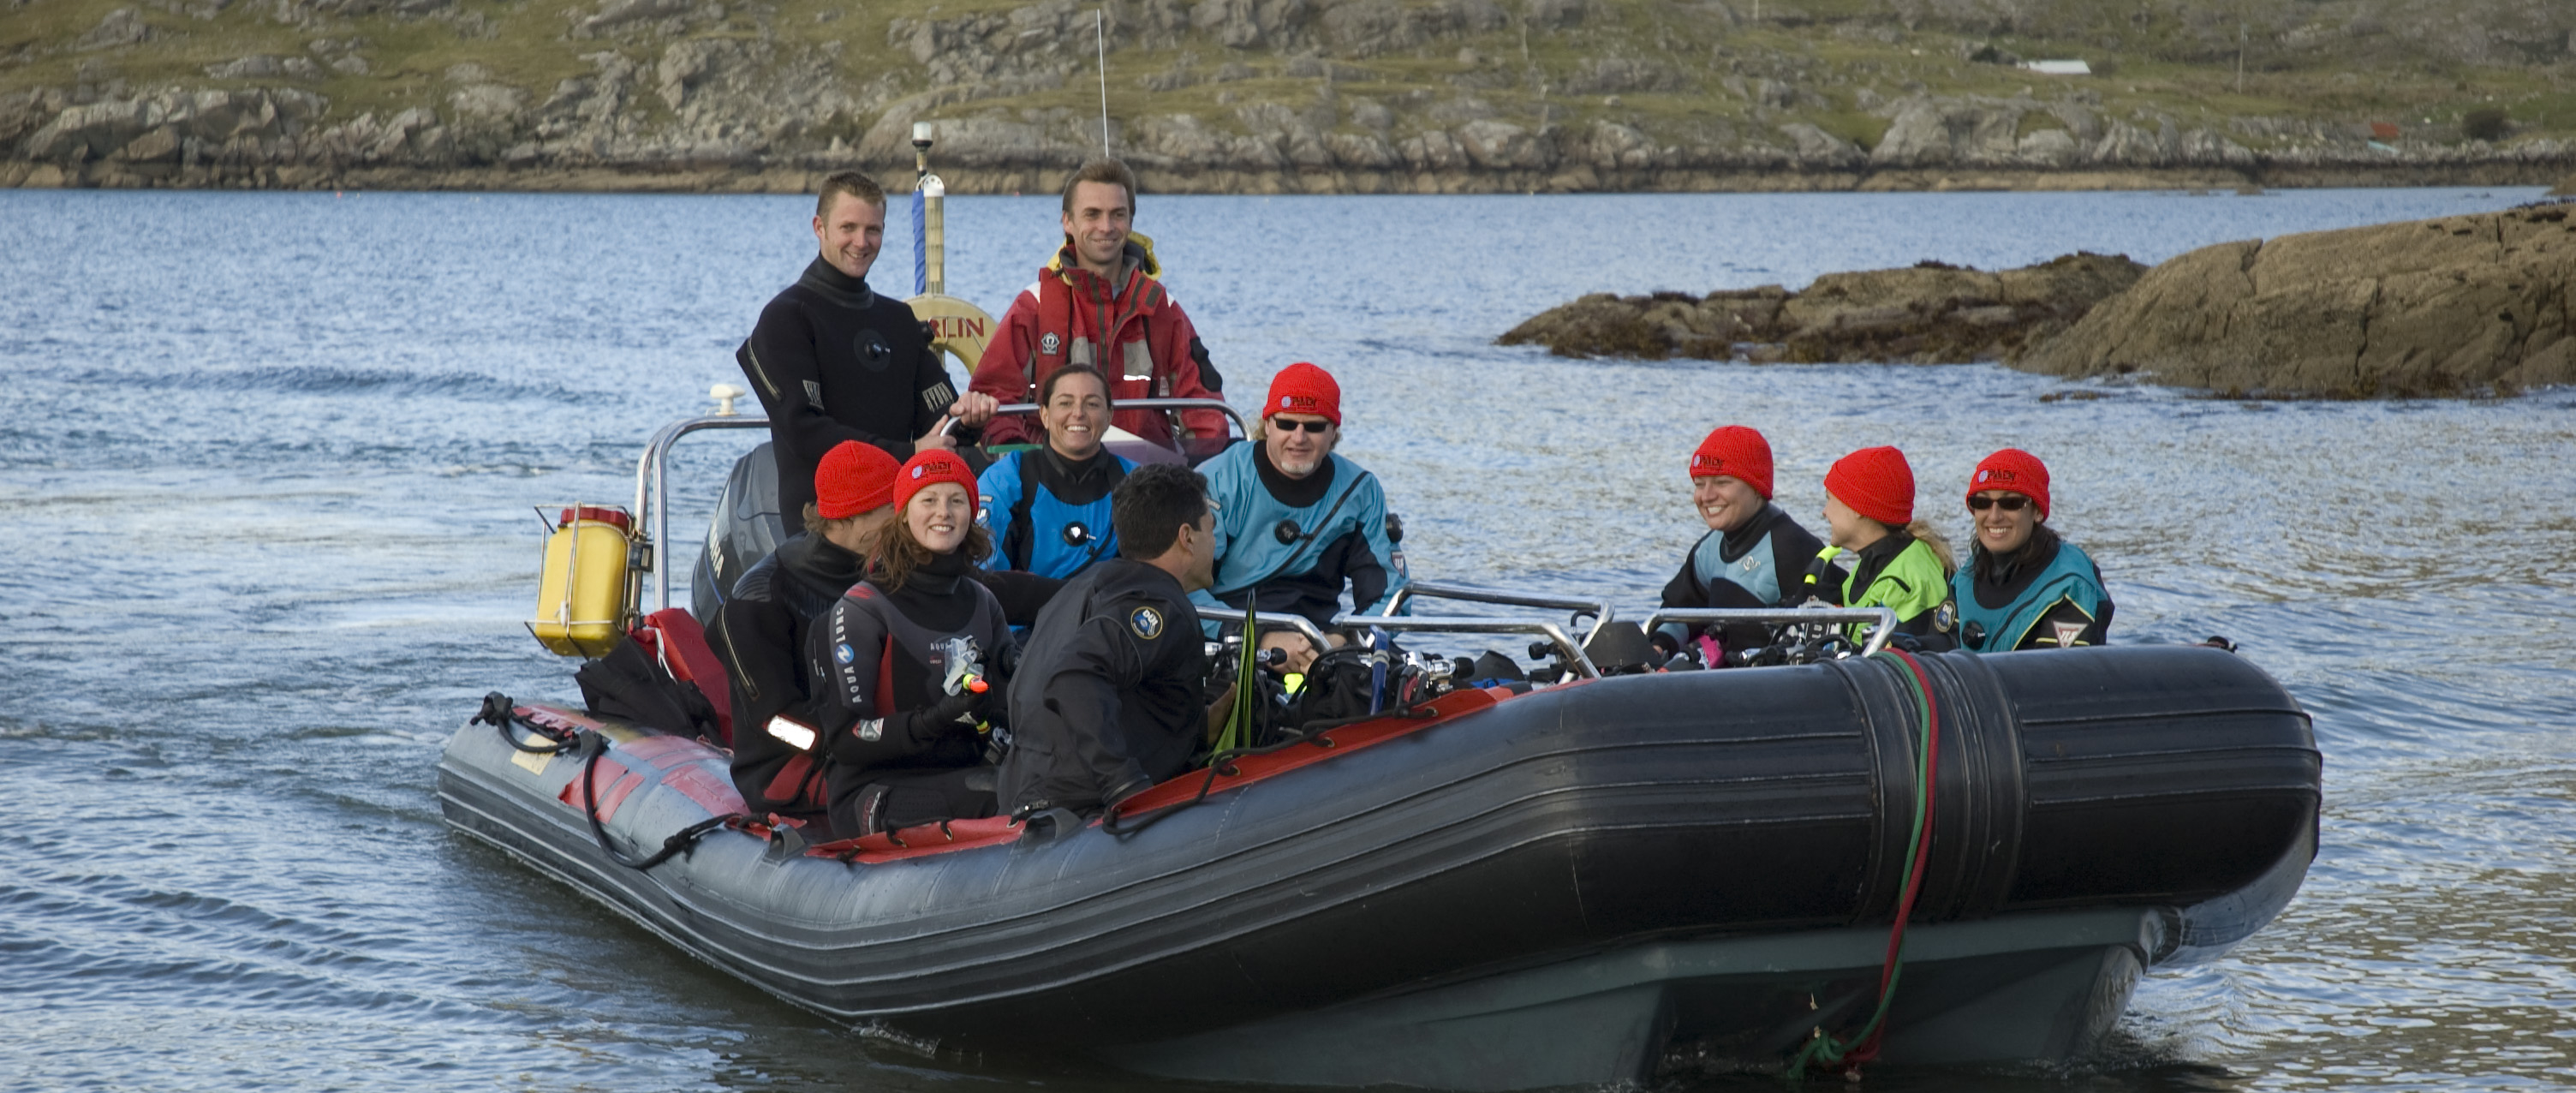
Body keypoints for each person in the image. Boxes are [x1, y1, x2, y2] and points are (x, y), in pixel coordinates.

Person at [736, 170, 999, 519]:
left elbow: (941, 421)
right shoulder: (788, 318)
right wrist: (908, 452)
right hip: (821, 524)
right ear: (820, 227)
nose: (861, 242)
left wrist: (969, 417)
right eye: (848, 228)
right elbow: (805, 432)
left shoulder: (898, 321)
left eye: (872, 230)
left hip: (899, 516)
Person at [802, 450, 1016, 837]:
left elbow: (1006, 710)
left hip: (963, 770)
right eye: (929, 500)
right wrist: (937, 718)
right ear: (903, 514)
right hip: (874, 789)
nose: (944, 513)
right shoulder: (863, 609)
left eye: (956, 500)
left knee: (1045, 785)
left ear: (972, 512)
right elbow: (847, 738)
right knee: (997, 797)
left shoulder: (983, 602)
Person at [996, 463, 1222, 816]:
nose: (1214, 541)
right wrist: (1123, 783)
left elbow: (1131, 706)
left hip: (1025, 794)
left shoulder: (1086, 587)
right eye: (1211, 528)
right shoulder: (1158, 604)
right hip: (1082, 809)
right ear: (1187, 537)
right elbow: (1074, 677)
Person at [965, 158, 1227, 451]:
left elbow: (1207, 412)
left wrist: (1201, 473)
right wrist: (1026, 468)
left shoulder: (1162, 309)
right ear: (1067, 221)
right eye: (1092, 214)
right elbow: (992, 400)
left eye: (1117, 214)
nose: (1106, 226)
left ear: (1130, 221)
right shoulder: (1035, 307)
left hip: (1146, 481)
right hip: (1053, 482)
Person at [710, 439, 899, 817]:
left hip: (876, 742)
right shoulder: (757, 597)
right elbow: (776, 721)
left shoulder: (891, 570)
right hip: (787, 768)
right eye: (894, 510)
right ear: (850, 516)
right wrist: (862, 744)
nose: (906, 521)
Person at [1192, 362, 1406, 660]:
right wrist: (1259, 639)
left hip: (1323, 643)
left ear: (1334, 432)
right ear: (1267, 424)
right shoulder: (1216, 480)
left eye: (1315, 426)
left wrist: (1341, 641)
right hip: (1232, 637)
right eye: (1287, 424)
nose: (1299, 437)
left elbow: (1391, 596)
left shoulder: (1361, 491)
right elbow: (1181, 585)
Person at [1655, 425, 1827, 661]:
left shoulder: (1790, 547)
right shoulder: (1708, 550)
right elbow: (1679, 612)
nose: (1706, 496)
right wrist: (1657, 647)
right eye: (1699, 484)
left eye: (1722, 483)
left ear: (1757, 488)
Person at [976, 365, 1136, 580]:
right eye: (1065, 403)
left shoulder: (1136, 481)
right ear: (1044, 415)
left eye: (1092, 404)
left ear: (1109, 416)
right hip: (1023, 611)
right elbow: (984, 575)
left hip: (1111, 611)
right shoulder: (1007, 479)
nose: (1078, 413)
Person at [1951, 449, 2114, 651]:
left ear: (2037, 511)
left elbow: (2053, 675)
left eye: (2010, 503)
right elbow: (1943, 641)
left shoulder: (2071, 585)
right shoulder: (1967, 576)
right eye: (1982, 502)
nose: (1994, 517)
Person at [1803, 445, 1959, 651]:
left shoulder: (1904, 581)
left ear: (1857, 507)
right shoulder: (1873, 565)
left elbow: (1895, 666)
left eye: (1829, 500)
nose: (1825, 512)